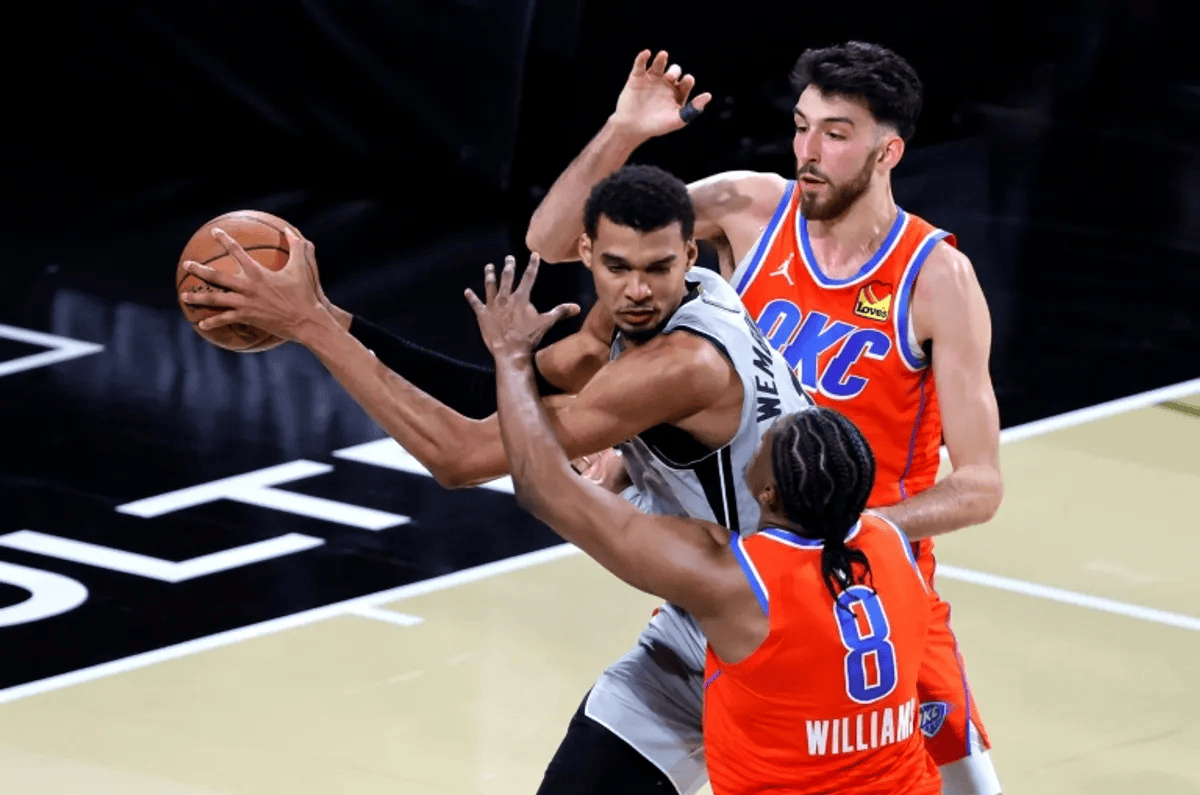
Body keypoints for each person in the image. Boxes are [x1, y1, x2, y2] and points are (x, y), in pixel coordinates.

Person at [179, 163, 815, 794]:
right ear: (588, 254)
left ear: (688, 254)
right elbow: (494, 401)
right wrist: (326, 313)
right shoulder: (680, 298)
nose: (638, 290)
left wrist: (309, 327)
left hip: (782, 636)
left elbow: (459, 456)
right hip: (704, 620)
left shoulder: (682, 364)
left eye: (657, 268)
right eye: (618, 268)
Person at [525, 42, 1004, 794]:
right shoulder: (748, 208)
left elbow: (979, 486)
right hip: (734, 589)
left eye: (836, 134)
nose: (808, 151)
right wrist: (625, 132)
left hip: (867, 600)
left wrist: (847, 528)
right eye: (802, 126)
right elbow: (553, 242)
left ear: (888, 152)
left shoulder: (937, 279)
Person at [467, 251, 939, 794]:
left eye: (767, 442)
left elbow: (542, 486)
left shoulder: (736, 580)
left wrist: (512, 359)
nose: (760, 433)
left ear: (768, 495)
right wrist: (633, 471)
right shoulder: (889, 543)